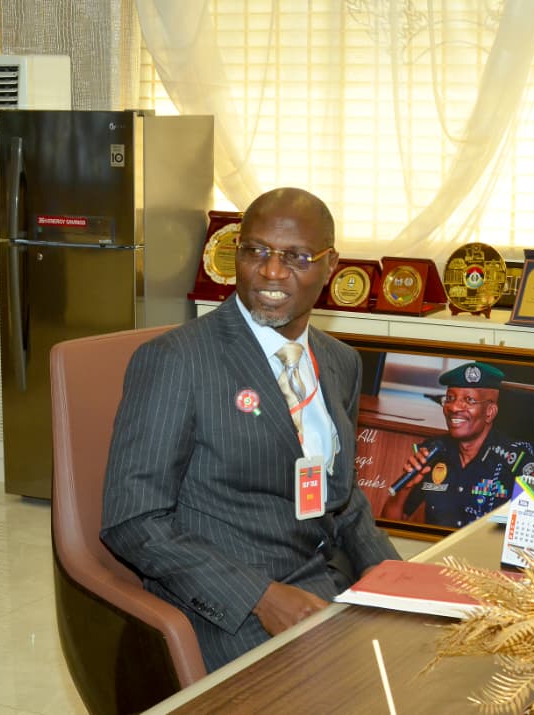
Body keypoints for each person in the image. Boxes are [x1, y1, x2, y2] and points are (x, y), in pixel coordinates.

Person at [100, 187, 399, 672]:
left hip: (323, 581)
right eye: (256, 250)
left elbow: (342, 500)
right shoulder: (178, 361)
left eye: (297, 257)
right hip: (227, 606)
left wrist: (396, 577)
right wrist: (261, 597)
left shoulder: (340, 362)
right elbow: (133, 520)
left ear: (331, 266)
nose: (272, 272)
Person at [381, 362, 534, 528]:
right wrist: (405, 489)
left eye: (469, 400)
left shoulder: (518, 462)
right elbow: (390, 525)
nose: (454, 407)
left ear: (489, 412)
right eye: (450, 398)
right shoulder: (432, 452)